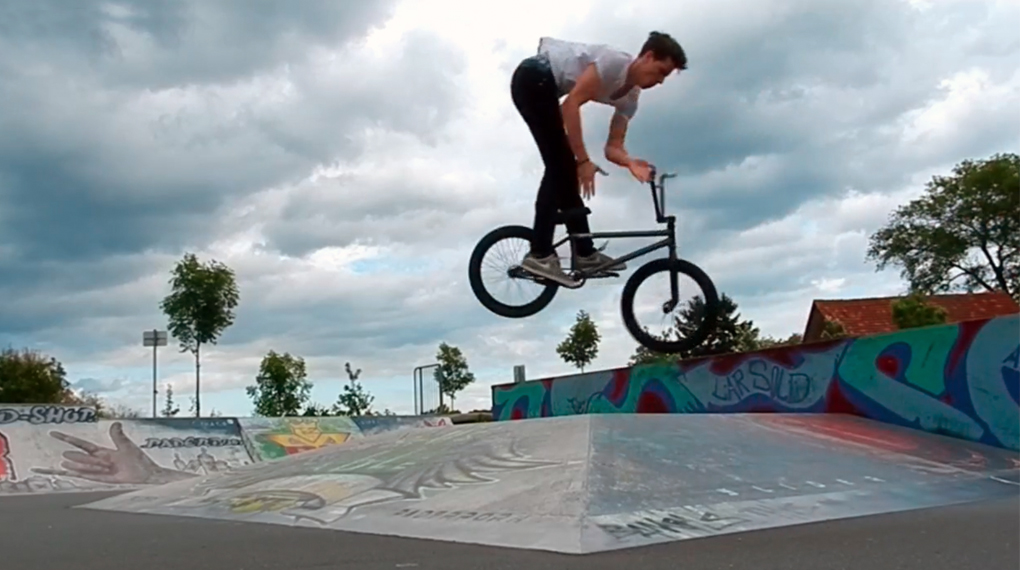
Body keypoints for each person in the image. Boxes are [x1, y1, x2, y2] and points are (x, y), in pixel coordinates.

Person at [510, 31, 687, 286]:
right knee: (562, 165)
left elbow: (612, 148)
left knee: (562, 168)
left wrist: (629, 162)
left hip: (544, 87)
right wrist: (583, 161)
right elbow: (570, 105)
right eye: (660, 71)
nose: (659, 81)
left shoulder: (631, 99)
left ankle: (583, 253)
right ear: (647, 57)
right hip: (533, 77)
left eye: (665, 77)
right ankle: (541, 254)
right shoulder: (615, 62)